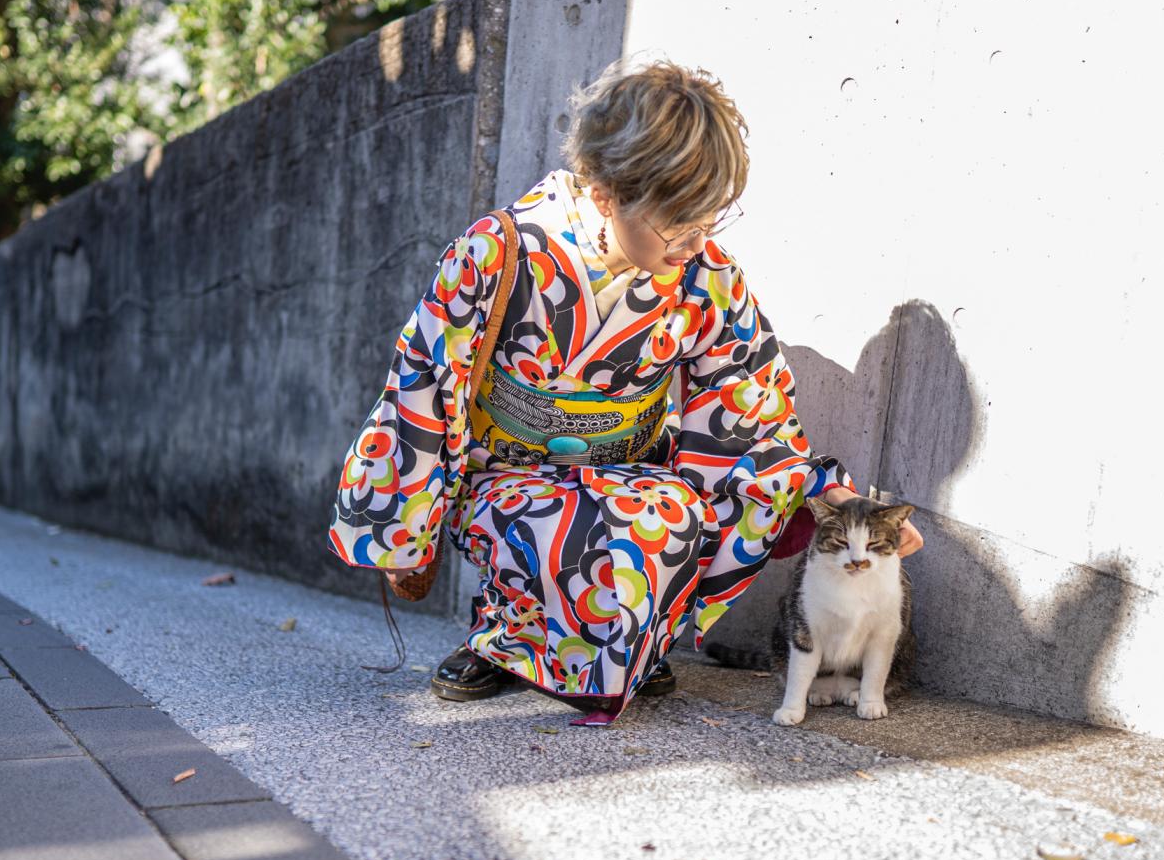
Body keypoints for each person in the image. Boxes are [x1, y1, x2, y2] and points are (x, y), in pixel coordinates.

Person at [327, 57, 922, 723]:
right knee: (557, 526)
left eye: (710, 220)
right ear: (605, 192)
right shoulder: (497, 251)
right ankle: (506, 637)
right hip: (505, 471)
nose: (696, 242)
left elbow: (747, 412)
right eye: (679, 221)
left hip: (632, 470)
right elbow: (424, 386)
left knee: (663, 519)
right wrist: (406, 529)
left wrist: (827, 493)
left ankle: (627, 644)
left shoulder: (706, 276)